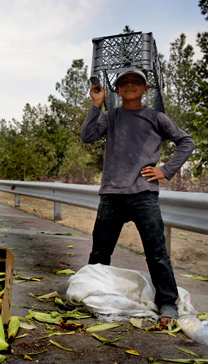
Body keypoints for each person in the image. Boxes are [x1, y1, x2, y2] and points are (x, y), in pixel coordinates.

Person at [81, 69, 196, 324]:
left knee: (157, 253)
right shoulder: (110, 116)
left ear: (145, 89)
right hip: (111, 195)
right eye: (124, 83)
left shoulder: (156, 118)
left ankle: (167, 304)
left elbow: (186, 142)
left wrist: (165, 171)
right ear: (117, 91)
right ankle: (94, 295)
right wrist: (95, 105)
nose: (130, 85)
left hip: (144, 195)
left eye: (136, 82)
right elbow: (87, 136)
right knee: (100, 253)